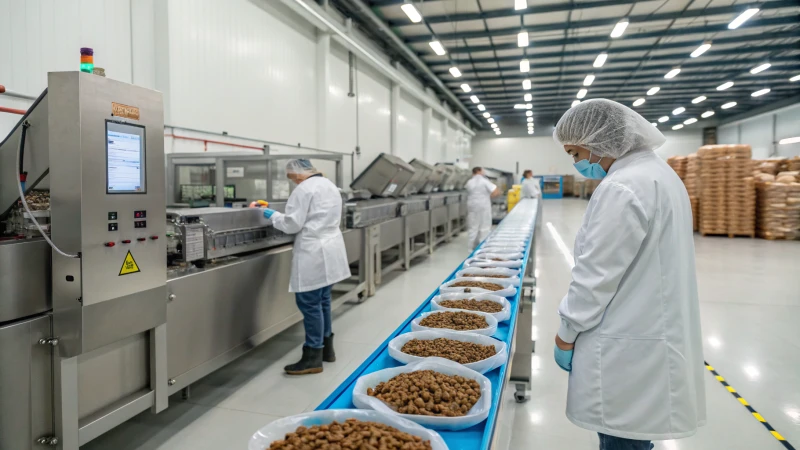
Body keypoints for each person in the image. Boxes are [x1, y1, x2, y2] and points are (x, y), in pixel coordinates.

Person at [551, 99, 706, 449]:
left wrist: (566, 333)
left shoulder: (623, 187)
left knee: (623, 439)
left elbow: (595, 276)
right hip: (649, 330)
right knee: (634, 438)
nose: (577, 163)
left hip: (628, 342)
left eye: (576, 153)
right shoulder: (659, 175)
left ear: (598, 140)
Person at [253, 159, 350, 375]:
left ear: (295, 175)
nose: (292, 182)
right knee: (323, 300)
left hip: (313, 251)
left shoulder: (303, 189)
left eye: (290, 178)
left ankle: (313, 356)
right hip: (331, 247)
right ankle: (327, 350)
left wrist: (272, 215)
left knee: (309, 304)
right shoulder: (329, 185)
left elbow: (292, 224)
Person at [465, 167, 501, 250]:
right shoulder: (484, 181)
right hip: (483, 206)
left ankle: (471, 249)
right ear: (479, 171)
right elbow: (496, 191)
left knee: (473, 227)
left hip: (472, 207)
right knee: (484, 227)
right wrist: (490, 196)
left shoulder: (469, 182)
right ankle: (482, 249)